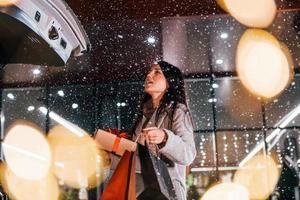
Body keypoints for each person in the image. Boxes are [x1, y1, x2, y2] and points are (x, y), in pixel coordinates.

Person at [131, 60, 196, 200]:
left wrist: (165, 138)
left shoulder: (177, 111)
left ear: (169, 82)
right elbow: (135, 157)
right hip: (141, 192)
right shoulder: (143, 115)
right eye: (149, 71)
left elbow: (188, 154)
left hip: (166, 191)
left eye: (157, 72)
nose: (149, 75)